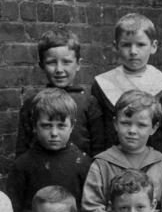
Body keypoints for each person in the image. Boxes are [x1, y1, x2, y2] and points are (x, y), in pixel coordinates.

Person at [6, 88, 92, 212]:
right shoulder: (23, 165)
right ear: (34, 126)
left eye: (61, 126)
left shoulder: (83, 163)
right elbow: (14, 210)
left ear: (72, 125)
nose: (54, 133)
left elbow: (88, 209)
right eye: (46, 126)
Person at [90, 13, 162, 160]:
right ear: (116, 47)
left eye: (140, 44)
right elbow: (98, 136)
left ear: (153, 46)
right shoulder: (103, 84)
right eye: (126, 44)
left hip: (155, 166)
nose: (133, 51)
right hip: (114, 163)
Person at [82, 90, 162, 212]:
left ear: (154, 128)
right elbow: (92, 205)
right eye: (126, 123)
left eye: (141, 125)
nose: (132, 130)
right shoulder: (102, 164)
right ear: (115, 123)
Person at [15, 28, 101, 157]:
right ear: (42, 65)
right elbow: (22, 152)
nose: (59, 69)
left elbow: (99, 150)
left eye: (66, 62)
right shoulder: (32, 104)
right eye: (51, 63)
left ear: (78, 64)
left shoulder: (90, 103)